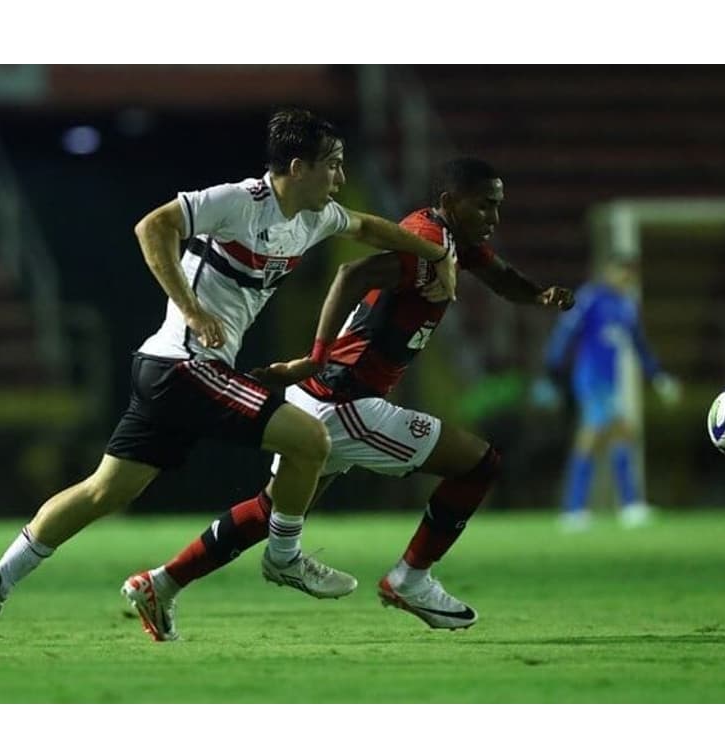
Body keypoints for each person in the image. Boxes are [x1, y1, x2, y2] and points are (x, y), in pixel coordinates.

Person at [0, 107, 459, 647]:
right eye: (332, 166)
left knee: (103, 491)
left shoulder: (316, 217)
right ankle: (285, 556)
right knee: (310, 438)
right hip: (184, 365)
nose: (340, 178)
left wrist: (438, 253)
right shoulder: (243, 201)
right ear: (297, 166)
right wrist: (192, 309)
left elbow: (368, 227)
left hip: (165, 371)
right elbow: (153, 226)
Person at [120, 157, 575, 641]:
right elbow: (351, 275)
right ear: (448, 203)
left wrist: (540, 294)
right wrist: (315, 358)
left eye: (498, 207)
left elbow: (500, 276)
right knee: (479, 464)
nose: (493, 218)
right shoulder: (426, 243)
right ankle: (411, 579)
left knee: (270, 509)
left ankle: (162, 582)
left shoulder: (453, 243)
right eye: (484, 206)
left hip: (330, 398)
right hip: (346, 400)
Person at [538, 257, 680, 531]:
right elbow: (565, 333)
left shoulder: (626, 305)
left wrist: (658, 376)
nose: (625, 278)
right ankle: (577, 509)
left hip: (609, 380)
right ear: (608, 272)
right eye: (621, 272)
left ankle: (618, 506)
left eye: (629, 274)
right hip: (591, 378)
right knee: (595, 435)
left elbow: (639, 344)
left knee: (620, 434)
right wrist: (552, 372)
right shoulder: (590, 298)